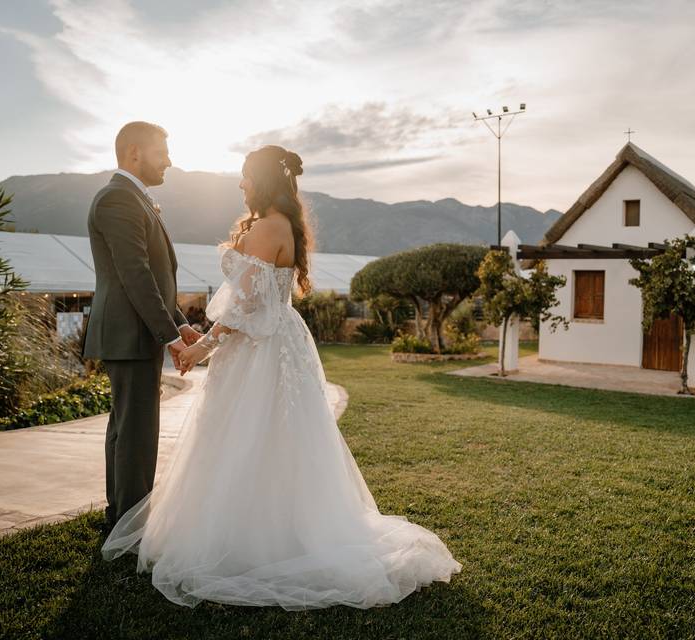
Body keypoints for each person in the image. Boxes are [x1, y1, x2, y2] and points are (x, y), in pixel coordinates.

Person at [102, 145, 462, 609]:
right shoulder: (284, 225)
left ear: (263, 181)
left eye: (246, 177)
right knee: (279, 438)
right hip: (278, 341)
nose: (240, 185)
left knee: (247, 438)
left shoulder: (266, 227)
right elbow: (256, 303)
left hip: (259, 347)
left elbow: (243, 309)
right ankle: (282, 526)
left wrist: (201, 347)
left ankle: (251, 541)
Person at [82, 121, 201, 528]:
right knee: (136, 432)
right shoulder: (118, 199)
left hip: (134, 330)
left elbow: (154, 275)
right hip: (129, 332)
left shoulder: (135, 198)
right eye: (162, 152)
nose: (169, 161)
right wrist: (169, 335)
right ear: (135, 152)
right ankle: (130, 526)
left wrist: (180, 323)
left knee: (128, 427)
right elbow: (135, 274)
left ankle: (120, 516)